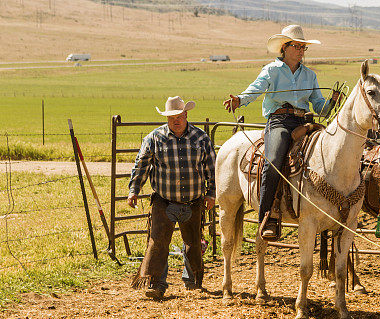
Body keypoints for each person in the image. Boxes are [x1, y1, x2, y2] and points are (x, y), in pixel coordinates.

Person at [223, 24, 338, 240]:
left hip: (304, 121)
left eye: (304, 47)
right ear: (284, 48)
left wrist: (331, 102)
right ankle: (268, 216)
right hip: (279, 121)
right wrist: (240, 99)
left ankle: (324, 208)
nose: (302, 50)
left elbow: (319, 107)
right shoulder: (271, 71)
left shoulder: (310, 76)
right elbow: (255, 89)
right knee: (274, 160)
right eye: (298, 46)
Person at [128, 96, 216, 299]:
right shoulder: (154, 138)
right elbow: (141, 165)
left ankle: (193, 281)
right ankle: (156, 284)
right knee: (158, 242)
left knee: (193, 242)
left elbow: (211, 168)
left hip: (193, 200)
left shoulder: (201, 138)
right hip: (163, 199)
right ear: (167, 118)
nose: (176, 120)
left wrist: (211, 194)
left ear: (186, 114)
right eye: (171, 117)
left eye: (179, 116)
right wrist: (134, 190)